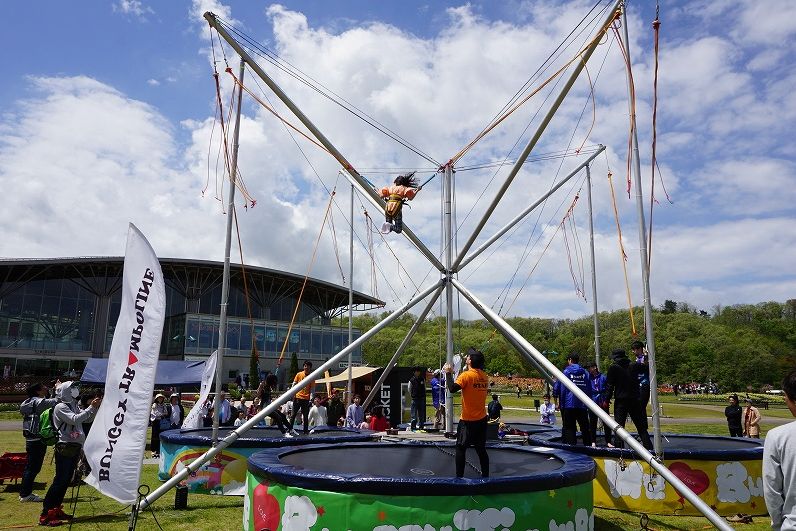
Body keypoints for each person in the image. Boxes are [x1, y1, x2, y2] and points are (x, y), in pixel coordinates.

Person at [39, 381, 100, 527]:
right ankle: (46, 513)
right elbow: (74, 419)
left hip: (74, 446)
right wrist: (91, 407)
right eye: (72, 388)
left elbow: (86, 418)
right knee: (60, 480)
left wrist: (94, 409)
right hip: (65, 446)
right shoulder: (61, 406)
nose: (76, 390)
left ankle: (56, 509)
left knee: (66, 480)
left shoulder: (73, 404)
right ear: (66, 391)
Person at [444, 347, 489, 478]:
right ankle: (486, 477)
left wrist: (448, 373)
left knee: (460, 448)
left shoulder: (466, 376)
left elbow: (452, 388)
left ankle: (459, 478)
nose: (466, 358)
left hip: (468, 420)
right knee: (481, 449)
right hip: (481, 419)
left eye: (468, 357)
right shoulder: (484, 376)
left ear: (470, 361)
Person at [763, 369, 796, 530]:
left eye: (786, 396)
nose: (784, 400)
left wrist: (777, 525)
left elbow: (772, 491)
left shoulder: (777, 437)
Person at [605, 349, 652, 450]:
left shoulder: (613, 367)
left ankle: (619, 450)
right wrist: (646, 356)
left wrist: (606, 399)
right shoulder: (634, 365)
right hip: (634, 398)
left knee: (619, 427)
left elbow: (609, 386)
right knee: (641, 428)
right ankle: (649, 449)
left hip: (621, 400)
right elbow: (647, 368)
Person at [19, 381, 59, 502]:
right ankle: (25, 495)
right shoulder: (39, 402)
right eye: (43, 387)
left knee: (30, 467)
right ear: (38, 391)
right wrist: (58, 389)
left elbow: (48, 401)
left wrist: (52, 391)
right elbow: (55, 402)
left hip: (30, 439)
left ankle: (25, 492)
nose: (46, 388)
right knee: (33, 468)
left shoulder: (27, 402)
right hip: (37, 440)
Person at [552, 354, 592, 446]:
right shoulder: (585, 372)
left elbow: (557, 387)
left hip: (569, 404)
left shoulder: (566, 372)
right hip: (582, 404)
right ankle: (588, 447)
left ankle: (571, 449)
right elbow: (589, 388)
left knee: (569, 428)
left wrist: (558, 401)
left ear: (570, 360)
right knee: (585, 427)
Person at [587, 363, 611, 447]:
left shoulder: (603, 377)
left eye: (590, 367)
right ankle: (593, 441)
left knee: (606, 421)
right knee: (592, 422)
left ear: (595, 368)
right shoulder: (588, 377)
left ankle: (608, 441)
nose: (589, 369)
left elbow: (608, 389)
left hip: (602, 400)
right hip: (592, 400)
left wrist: (606, 399)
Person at [288, 361, 315, 435]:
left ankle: (305, 431)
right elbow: (294, 384)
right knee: (293, 415)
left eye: (308, 366)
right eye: (305, 366)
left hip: (306, 399)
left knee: (305, 416)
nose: (306, 368)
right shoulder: (299, 374)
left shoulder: (312, 377)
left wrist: (311, 399)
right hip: (297, 397)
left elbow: (312, 389)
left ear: (310, 368)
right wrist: (292, 393)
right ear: (303, 367)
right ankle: (289, 429)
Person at [631, 340, 650, 414]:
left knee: (641, 408)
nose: (633, 352)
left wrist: (645, 355)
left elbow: (646, 367)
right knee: (638, 408)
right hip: (637, 386)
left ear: (639, 349)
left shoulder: (645, 358)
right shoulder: (637, 359)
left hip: (644, 385)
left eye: (634, 349)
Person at [149, 393, 168, 458]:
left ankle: (158, 450)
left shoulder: (164, 405)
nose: (160, 399)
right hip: (155, 422)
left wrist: (162, 414)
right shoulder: (154, 405)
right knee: (154, 436)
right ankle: (153, 450)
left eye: (161, 398)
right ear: (157, 399)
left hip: (161, 422)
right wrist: (162, 414)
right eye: (159, 398)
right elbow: (156, 413)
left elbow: (166, 412)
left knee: (160, 435)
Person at [409, 366, 426, 431]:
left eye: (419, 371)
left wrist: (423, 395)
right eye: (416, 371)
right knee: (414, 415)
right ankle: (413, 427)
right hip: (415, 399)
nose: (418, 373)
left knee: (421, 414)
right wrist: (412, 395)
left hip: (421, 398)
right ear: (414, 372)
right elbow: (409, 389)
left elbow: (424, 387)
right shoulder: (411, 380)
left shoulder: (422, 379)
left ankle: (421, 426)